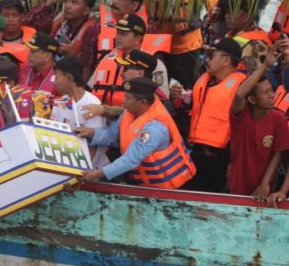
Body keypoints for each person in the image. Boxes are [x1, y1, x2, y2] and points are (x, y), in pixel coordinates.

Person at [75, 77, 196, 188]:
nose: (123, 102)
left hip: (166, 188)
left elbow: (131, 159)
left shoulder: (155, 127)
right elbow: (111, 135)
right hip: (142, 183)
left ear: (142, 102)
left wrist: (98, 174)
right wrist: (91, 133)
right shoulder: (130, 112)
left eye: (127, 98)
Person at [173, 38, 248, 192]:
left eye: (211, 55)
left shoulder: (241, 87)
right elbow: (191, 113)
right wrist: (178, 101)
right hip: (197, 153)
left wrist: (234, 161)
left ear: (226, 60)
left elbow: (243, 130)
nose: (206, 59)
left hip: (221, 158)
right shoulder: (205, 81)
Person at [228, 50, 289, 199]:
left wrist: (265, 183)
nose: (272, 95)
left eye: (272, 90)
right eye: (266, 92)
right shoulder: (240, 117)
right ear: (253, 100)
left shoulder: (278, 118)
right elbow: (239, 94)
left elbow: (278, 153)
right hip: (236, 189)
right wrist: (265, 66)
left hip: (263, 193)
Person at [89, 14, 170, 106]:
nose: (117, 37)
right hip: (102, 114)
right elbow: (90, 88)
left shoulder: (154, 65)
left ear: (137, 38)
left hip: (135, 116)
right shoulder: (107, 58)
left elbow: (161, 100)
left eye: (123, 34)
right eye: (117, 32)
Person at [51, 56, 109, 169]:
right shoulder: (60, 102)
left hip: (91, 171)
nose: (54, 81)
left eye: (57, 77)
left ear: (69, 78)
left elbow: (94, 146)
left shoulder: (91, 104)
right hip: (65, 166)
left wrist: (78, 174)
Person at [24, 0, 98, 69]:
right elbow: (27, 22)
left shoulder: (92, 30)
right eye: (67, 1)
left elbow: (88, 68)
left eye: (74, 3)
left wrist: (73, 55)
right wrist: (50, 2)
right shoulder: (58, 19)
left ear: (86, 11)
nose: (67, 6)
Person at [82, 50, 166, 121]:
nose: (122, 72)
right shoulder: (135, 91)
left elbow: (126, 112)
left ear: (140, 73)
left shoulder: (148, 98)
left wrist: (103, 109)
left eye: (126, 68)